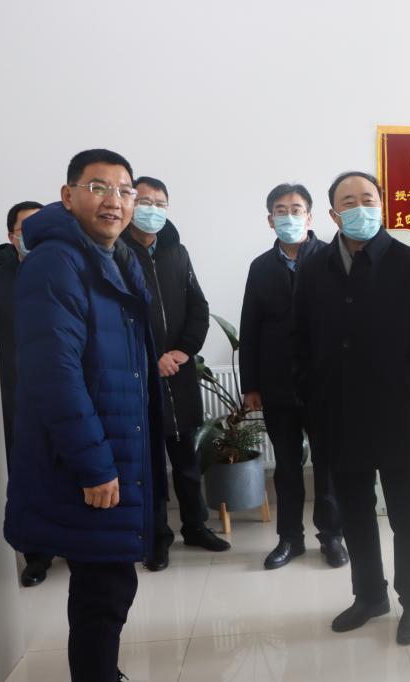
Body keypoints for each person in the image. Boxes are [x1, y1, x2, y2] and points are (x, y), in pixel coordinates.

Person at [4, 149, 167, 682]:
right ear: (68, 195)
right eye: (99, 187)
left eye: (124, 191)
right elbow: (54, 375)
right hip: (92, 459)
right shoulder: (57, 262)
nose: (114, 201)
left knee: (106, 586)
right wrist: (94, 465)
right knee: (104, 589)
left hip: (115, 443)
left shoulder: (112, 257)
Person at [293, 171, 410, 645]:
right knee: (355, 514)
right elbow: (300, 339)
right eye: (348, 202)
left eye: (368, 199)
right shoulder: (313, 269)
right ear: (334, 214)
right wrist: (313, 396)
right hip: (338, 417)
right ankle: (369, 595)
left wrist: (401, 387)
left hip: (397, 415)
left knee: (407, 516)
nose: (359, 208)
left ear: (381, 206)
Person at [121, 176, 230, 570]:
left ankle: (195, 527)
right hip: (140, 379)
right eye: (145, 201)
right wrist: (153, 359)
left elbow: (198, 307)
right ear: (130, 203)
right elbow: (115, 321)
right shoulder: (115, 253)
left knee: (186, 462)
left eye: (160, 203)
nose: (152, 209)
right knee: (149, 468)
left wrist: (183, 352)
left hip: (180, 375)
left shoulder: (177, 252)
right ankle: (157, 538)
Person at [240, 183, 347, 570]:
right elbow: (250, 328)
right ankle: (290, 539)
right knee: (286, 468)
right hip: (277, 385)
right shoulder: (260, 267)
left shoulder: (333, 259)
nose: (289, 216)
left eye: (296, 209)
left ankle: (331, 536)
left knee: (328, 466)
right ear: (270, 220)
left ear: (310, 216)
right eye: (281, 211)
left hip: (324, 385)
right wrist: (251, 385)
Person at [0, 200, 56, 587]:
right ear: (11, 236)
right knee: (30, 477)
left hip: (65, 392)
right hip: (17, 394)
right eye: (25, 228)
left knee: (71, 471)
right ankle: (37, 556)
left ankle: (77, 545)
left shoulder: (67, 269)